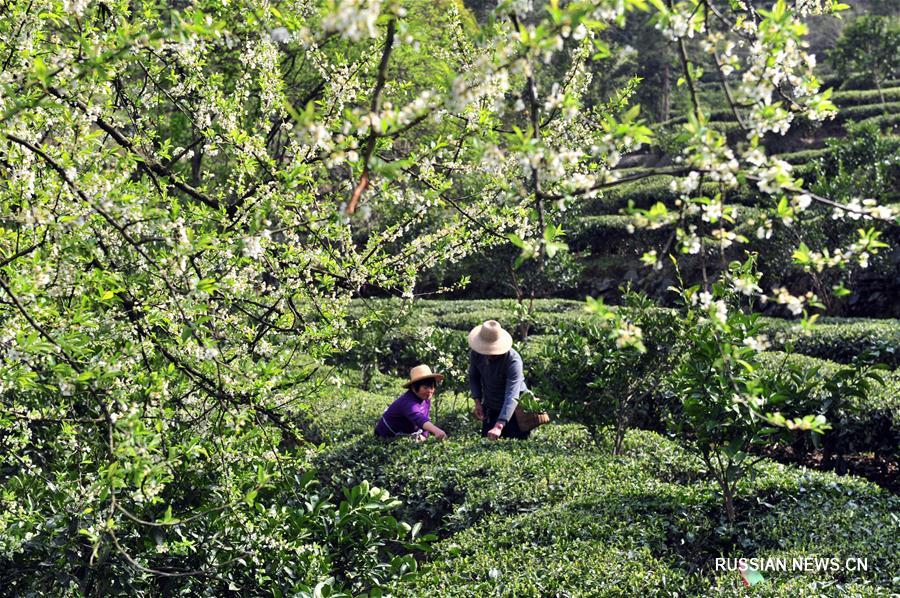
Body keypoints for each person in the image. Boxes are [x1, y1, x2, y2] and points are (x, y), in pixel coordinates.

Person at [468, 320, 530, 440]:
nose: (489, 354)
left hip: (515, 411)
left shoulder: (513, 361)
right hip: (491, 406)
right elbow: (473, 376)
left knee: (515, 447)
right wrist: (477, 401)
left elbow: (512, 395)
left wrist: (499, 425)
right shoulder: (476, 354)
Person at [375, 364, 448, 440]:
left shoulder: (426, 398)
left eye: (432, 387)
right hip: (386, 436)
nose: (430, 391)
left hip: (405, 434)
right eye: (425, 387)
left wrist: (425, 436)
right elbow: (419, 418)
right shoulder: (407, 402)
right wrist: (436, 430)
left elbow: (425, 417)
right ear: (413, 388)